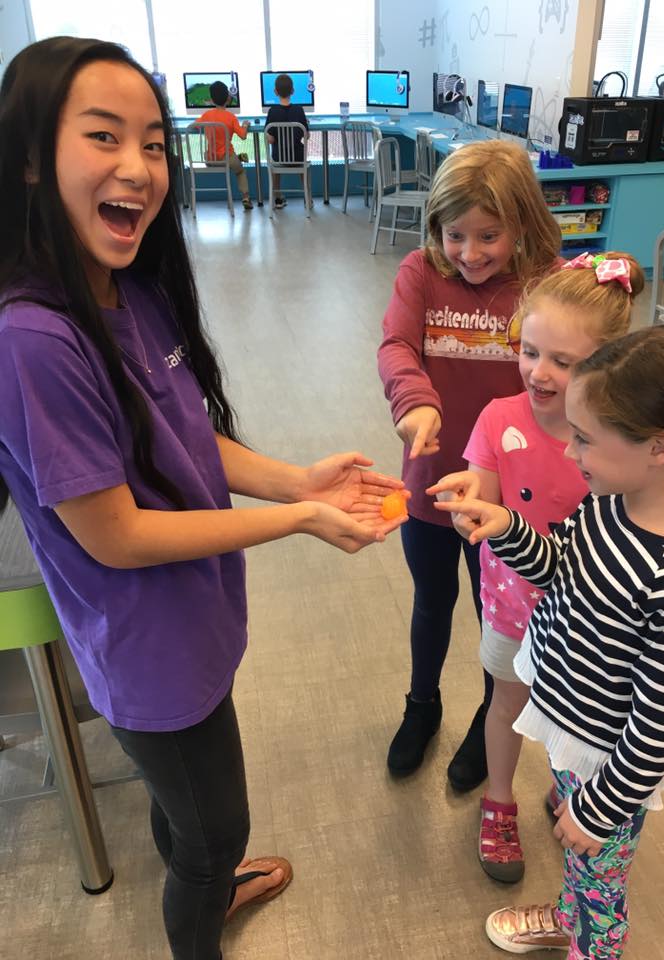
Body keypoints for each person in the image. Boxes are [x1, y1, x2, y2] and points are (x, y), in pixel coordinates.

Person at [0, 37, 406, 960]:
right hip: (149, 653)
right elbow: (116, 534)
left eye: (152, 142)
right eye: (103, 136)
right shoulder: (32, 339)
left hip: (195, 620)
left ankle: (202, 869)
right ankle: (203, 907)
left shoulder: (128, 287)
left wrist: (295, 478)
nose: (139, 169)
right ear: (28, 156)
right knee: (214, 831)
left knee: (183, 807)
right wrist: (302, 519)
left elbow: (186, 435)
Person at [433, 325, 664, 958]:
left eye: (585, 439)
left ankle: (588, 939)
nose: (570, 454)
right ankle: (568, 913)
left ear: (659, 447)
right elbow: (564, 566)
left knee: (599, 884)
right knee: (579, 860)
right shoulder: (610, 501)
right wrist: (507, 526)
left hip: (610, 765)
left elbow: (660, 722)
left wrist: (601, 808)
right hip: (570, 727)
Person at [429, 251, 644, 883]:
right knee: (506, 704)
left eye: (563, 361)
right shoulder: (500, 418)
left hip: (589, 624)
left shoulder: (615, 441)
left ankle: (571, 786)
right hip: (512, 609)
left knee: (576, 715)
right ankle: (499, 801)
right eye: (529, 352)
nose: (539, 373)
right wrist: (469, 501)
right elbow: (485, 494)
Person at [377, 140, 562, 784]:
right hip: (433, 483)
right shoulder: (420, 273)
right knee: (432, 600)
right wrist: (416, 403)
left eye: (490, 235)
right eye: (456, 235)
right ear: (437, 229)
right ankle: (422, 706)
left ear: (524, 226)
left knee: (500, 615)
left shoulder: (546, 284)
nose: (471, 252)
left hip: (513, 504)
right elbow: (398, 345)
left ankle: (494, 717)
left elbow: (583, 353)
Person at [197, 79, 254, 211]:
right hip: (227, 158)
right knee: (240, 171)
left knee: (231, 158)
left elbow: (193, 126)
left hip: (210, 159)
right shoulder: (231, 117)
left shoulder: (206, 115)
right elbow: (243, 136)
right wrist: (245, 125)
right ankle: (245, 198)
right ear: (228, 98)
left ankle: (239, 158)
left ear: (211, 99)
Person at [264, 73, 309, 209]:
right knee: (303, 166)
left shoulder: (272, 111)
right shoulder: (299, 110)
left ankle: (278, 199)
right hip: (298, 157)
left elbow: (270, 139)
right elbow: (306, 136)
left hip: (279, 158)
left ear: (275, 91)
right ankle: (308, 199)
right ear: (293, 91)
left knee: (276, 164)